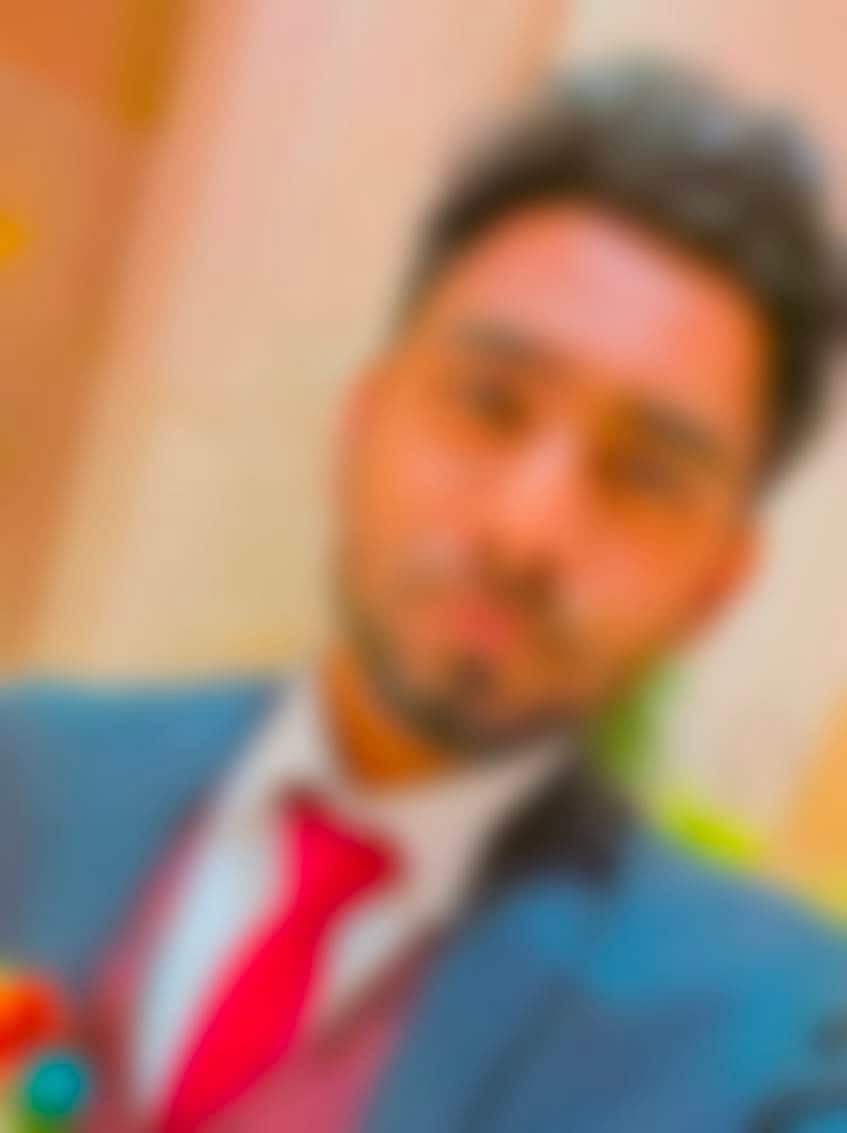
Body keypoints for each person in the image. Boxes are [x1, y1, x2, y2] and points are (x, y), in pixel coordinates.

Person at [1, 59, 845, 1132]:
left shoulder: (768, 1034)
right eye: (488, 404)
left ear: (713, 587)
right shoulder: (28, 765)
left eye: (643, 475)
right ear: (364, 421)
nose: (524, 528)